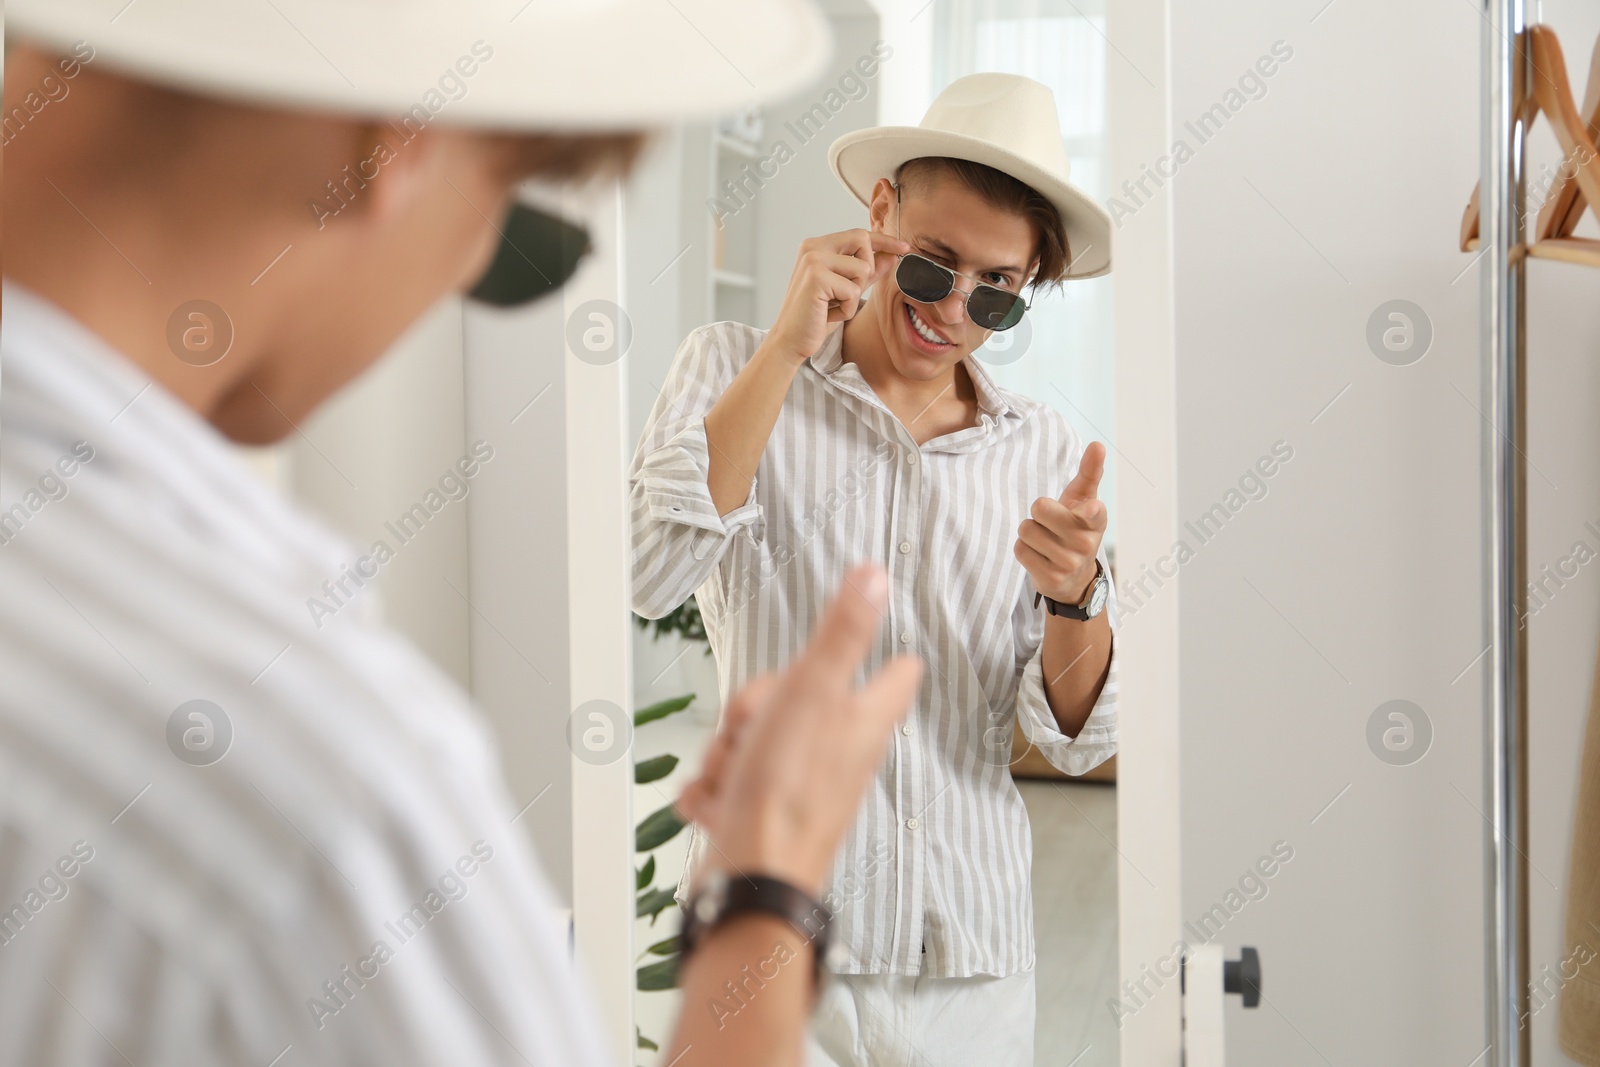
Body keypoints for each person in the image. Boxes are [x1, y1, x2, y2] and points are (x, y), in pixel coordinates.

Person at [0, 3, 924, 1066]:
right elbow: (653, 562)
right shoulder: (319, 789)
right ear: (402, 141)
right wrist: (765, 886)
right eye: (502, 199)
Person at [630, 73, 1120, 1066]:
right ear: (880, 210)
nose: (952, 311)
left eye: (996, 290)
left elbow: (1072, 738)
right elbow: (650, 571)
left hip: (971, 962)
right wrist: (782, 350)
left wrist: (1077, 597)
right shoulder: (728, 367)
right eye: (932, 268)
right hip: (773, 942)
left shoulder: (1043, 448)